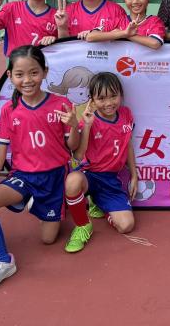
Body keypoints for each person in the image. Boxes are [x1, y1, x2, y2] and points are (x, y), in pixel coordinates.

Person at [0, 45, 80, 294]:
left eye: (34, 73)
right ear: (10, 76)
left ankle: (37, 204)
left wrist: (74, 126)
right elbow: (1, 150)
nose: (27, 80)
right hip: (23, 177)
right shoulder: (9, 110)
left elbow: (73, 147)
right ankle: (2, 262)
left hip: (54, 179)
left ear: (44, 72)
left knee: (48, 239)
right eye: (20, 74)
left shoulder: (61, 104)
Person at [63, 72, 138, 252]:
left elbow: (127, 144)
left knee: (126, 226)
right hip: (90, 175)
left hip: (111, 179)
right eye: (102, 98)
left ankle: (97, 202)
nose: (109, 103)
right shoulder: (88, 120)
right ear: (93, 100)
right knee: (72, 181)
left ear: (121, 95)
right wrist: (87, 125)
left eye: (113, 96)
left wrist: (134, 174)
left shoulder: (126, 114)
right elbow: (78, 156)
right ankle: (83, 225)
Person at [86, 0, 164, 49]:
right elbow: (90, 36)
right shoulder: (118, 21)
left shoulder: (154, 21)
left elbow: (155, 43)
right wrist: (123, 33)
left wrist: (126, 34)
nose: (135, 1)